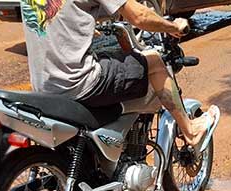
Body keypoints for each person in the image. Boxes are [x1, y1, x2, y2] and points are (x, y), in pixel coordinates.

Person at [20, 0, 218, 147]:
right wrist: (173, 27)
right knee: (154, 61)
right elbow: (139, 16)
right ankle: (190, 130)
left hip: (43, 86)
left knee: (109, 56)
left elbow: (63, 16)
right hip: (79, 83)